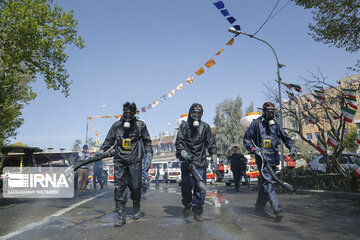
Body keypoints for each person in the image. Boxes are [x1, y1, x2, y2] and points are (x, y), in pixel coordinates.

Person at [95, 102, 152, 227]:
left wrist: (148, 155)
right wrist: (101, 150)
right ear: (123, 112)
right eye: (125, 112)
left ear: (134, 113)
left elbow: (147, 141)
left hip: (135, 160)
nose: (127, 115)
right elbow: (108, 141)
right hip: (120, 160)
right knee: (119, 187)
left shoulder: (140, 125)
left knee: (136, 186)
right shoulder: (117, 125)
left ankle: (136, 206)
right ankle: (121, 215)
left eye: (130, 113)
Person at [243, 102, 297, 222]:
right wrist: (253, 149)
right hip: (262, 160)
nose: (271, 115)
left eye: (273, 113)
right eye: (269, 112)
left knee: (265, 186)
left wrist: (292, 148)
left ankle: (259, 207)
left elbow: (286, 139)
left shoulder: (276, 125)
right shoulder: (256, 124)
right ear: (263, 111)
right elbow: (246, 139)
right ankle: (277, 210)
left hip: (273, 160)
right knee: (268, 184)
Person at [175, 103, 217, 222]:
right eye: (194, 113)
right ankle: (187, 205)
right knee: (186, 187)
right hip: (187, 163)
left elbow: (211, 144)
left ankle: (197, 211)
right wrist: (183, 153)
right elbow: (179, 143)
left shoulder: (205, 127)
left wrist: (214, 159)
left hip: (200, 163)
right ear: (190, 114)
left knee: (200, 189)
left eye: (199, 114)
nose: (196, 116)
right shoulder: (184, 127)